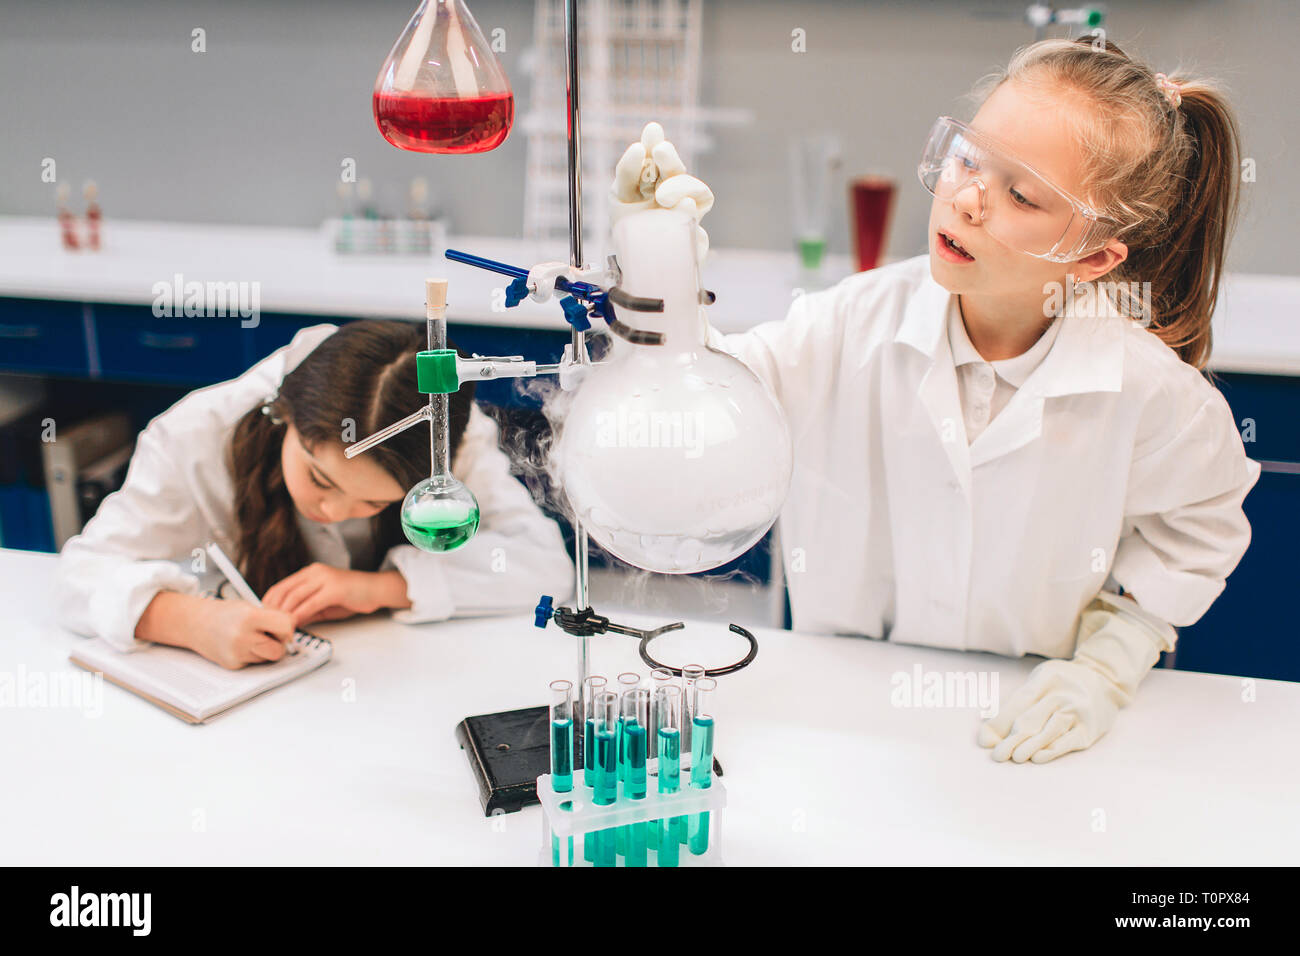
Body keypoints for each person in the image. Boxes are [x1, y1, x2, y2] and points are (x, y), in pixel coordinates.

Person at [613, 37, 1259, 762]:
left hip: (1014, 730)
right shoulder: (847, 322)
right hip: (837, 721)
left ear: (1094, 257)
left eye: (1021, 194)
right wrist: (659, 272)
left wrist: (1108, 665)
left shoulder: (1147, 390)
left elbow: (1200, 531)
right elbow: (707, 405)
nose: (968, 198)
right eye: (970, 158)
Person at [57, 320, 573, 669]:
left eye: (373, 503)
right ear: (286, 416)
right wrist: (190, 621)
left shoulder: (447, 444)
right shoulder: (194, 437)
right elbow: (78, 576)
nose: (332, 512)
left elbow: (545, 567)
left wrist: (374, 589)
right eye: (320, 479)